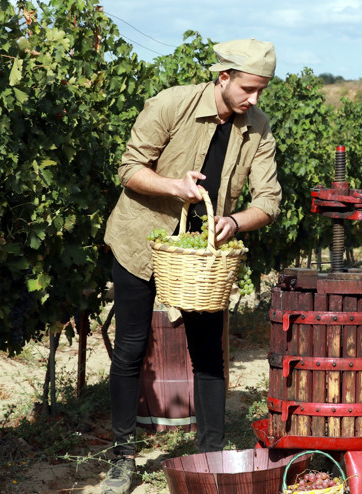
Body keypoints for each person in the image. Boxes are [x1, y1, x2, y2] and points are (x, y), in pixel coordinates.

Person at [100, 38, 282, 494]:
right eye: (248, 89)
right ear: (223, 78)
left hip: (202, 258)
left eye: (262, 90)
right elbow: (129, 168)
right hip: (142, 240)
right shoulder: (171, 104)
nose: (254, 99)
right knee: (131, 347)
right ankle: (123, 457)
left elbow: (270, 201)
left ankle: (212, 453)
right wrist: (173, 186)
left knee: (208, 353)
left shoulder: (257, 128)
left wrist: (234, 222)